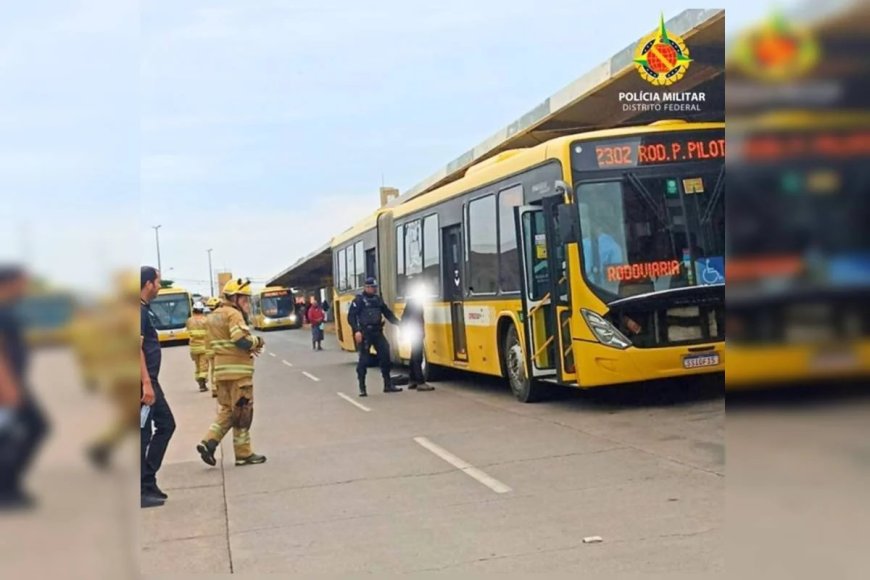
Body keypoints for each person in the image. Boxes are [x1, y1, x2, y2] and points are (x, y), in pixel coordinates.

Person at [197, 278, 267, 468]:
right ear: (234, 297)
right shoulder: (233, 314)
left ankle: (208, 443)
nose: (246, 302)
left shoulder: (212, 316)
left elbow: (213, 345)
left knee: (228, 410)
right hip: (239, 374)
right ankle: (243, 454)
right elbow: (240, 340)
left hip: (221, 372)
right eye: (244, 298)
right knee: (242, 412)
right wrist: (257, 341)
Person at [0, 266, 49, 510]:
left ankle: (8, 486)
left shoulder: (8, 309)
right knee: (35, 427)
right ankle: (6, 488)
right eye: (22, 283)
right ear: (9, 283)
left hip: (12, 383)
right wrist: (8, 388)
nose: (25, 288)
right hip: (7, 386)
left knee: (14, 433)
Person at [140, 266, 176, 508]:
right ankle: (141, 489)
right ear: (148, 283)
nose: (160, 286)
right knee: (143, 435)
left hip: (150, 380)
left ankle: (147, 480)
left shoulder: (144, 309)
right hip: (143, 383)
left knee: (165, 425)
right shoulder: (137, 311)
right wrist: (145, 383)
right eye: (158, 282)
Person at [347, 277, 402, 397]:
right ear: (366, 287)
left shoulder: (377, 300)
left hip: (377, 332)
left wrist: (398, 323)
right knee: (364, 360)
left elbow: (387, 313)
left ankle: (387, 384)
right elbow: (351, 317)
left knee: (385, 355)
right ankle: (362, 387)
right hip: (365, 333)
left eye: (375, 287)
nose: (374, 289)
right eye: (372, 287)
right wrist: (356, 331)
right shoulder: (359, 300)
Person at [403, 293, 433, 391]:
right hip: (416, 332)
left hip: (414, 331)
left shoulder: (411, 302)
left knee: (414, 356)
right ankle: (420, 382)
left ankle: (412, 380)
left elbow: (405, 317)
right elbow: (415, 319)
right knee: (417, 356)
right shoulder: (414, 303)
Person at [185, 302, 210, 392]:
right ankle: (202, 384)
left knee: (197, 366)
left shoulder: (189, 320)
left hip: (193, 348)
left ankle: (199, 382)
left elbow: (188, 330)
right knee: (204, 366)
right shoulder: (206, 320)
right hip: (204, 347)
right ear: (202, 310)